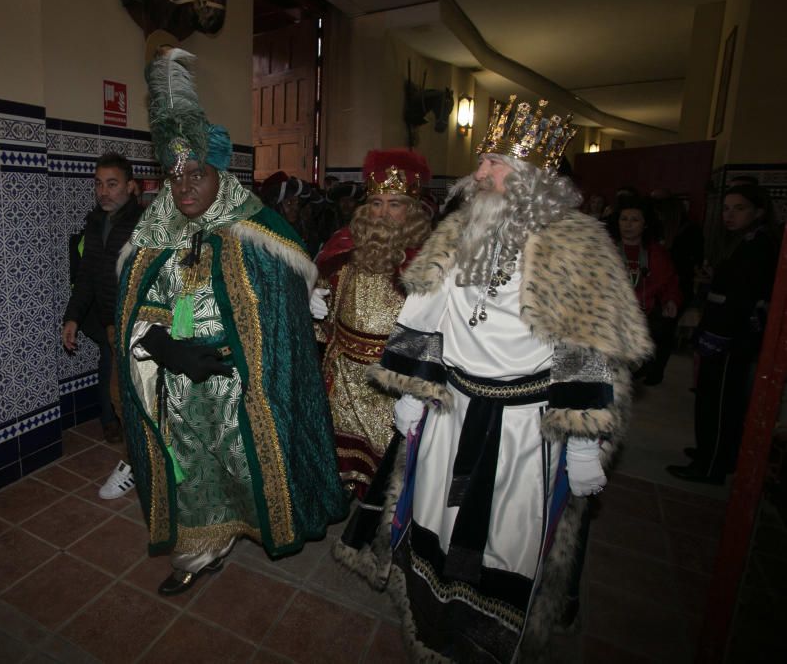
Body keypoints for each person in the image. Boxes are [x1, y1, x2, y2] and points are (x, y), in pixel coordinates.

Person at [333, 96, 652, 661]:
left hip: (523, 430)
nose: (477, 173)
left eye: (493, 163)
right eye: (482, 161)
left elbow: (584, 346)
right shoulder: (457, 234)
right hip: (450, 414)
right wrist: (410, 391)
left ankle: (484, 640)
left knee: (506, 536)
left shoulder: (572, 246)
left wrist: (582, 439)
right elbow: (426, 315)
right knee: (438, 516)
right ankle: (433, 622)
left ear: (529, 178)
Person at [115, 48, 346, 596]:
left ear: (221, 173)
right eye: (175, 179)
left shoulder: (259, 233)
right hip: (177, 380)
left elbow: (283, 321)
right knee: (191, 468)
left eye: (196, 174)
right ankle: (199, 551)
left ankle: (248, 527)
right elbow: (139, 308)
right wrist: (161, 346)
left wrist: (247, 357)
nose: (185, 189)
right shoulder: (156, 232)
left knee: (245, 467)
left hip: (242, 385)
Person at [311, 149, 431, 498]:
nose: (383, 213)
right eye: (376, 203)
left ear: (411, 209)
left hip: (390, 379)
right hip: (344, 369)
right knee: (338, 443)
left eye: (395, 204)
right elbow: (326, 286)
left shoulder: (428, 258)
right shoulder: (345, 245)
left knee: (386, 464)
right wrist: (313, 294)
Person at [667, 185, 777, 484]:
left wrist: (716, 335)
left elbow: (742, 298)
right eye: (726, 208)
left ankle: (710, 465)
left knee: (718, 403)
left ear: (758, 211)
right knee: (714, 400)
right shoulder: (741, 242)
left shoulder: (758, 245)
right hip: (724, 334)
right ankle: (716, 454)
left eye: (739, 208)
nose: (729, 215)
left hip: (730, 339)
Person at [62, 152, 143, 499]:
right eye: (98, 184)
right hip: (114, 327)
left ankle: (141, 463)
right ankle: (140, 461)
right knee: (120, 397)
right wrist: (73, 317)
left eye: (112, 184)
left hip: (143, 327)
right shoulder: (95, 223)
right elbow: (87, 279)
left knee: (138, 398)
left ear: (131, 187)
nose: (104, 192)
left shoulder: (145, 224)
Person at [613, 195, 682, 385]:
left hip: (642, 319)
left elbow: (669, 283)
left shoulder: (656, 253)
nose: (628, 225)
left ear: (645, 224)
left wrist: (671, 301)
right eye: (624, 219)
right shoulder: (605, 248)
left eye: (635, 220)